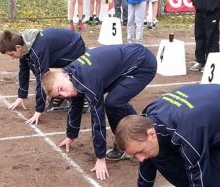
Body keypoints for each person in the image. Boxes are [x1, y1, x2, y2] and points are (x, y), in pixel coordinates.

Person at [41, 43, 157, 180]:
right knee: (113, 102)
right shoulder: (71, 75)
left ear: (65, 76)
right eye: (60, 96)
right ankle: (133, 134)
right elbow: (75, 106)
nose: (65, 95)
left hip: (142, 64)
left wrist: (100, 157)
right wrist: (71, 135)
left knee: (114, 103)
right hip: (129, 58)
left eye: (61, 89)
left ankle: (140, 135)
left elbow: (98, 120)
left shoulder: (88, 80)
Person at [0, 28, 86, 124]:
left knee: (63, 73)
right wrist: (21, 96)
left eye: (11, 54)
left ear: (18, 47)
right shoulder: (26, 45)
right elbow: (23, 70)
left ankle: (82, 97)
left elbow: (42, 77)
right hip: (64, 46)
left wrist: (39, 110)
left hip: (74, 46)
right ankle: (59, 95)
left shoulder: (37, 50)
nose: (12, 58)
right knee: (34, 65)